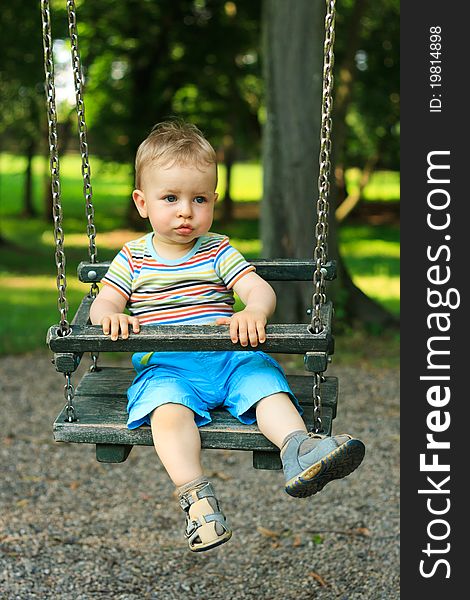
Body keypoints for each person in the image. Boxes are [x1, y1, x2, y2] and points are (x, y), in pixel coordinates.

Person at [90, 120, 365, 553]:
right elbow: (103, 301)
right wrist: (112, 316)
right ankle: (198, 502)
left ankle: (300, 450)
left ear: (213, 201)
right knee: (167, 412)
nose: (186, 211)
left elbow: (256, 288)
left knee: (265, 384)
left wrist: (254, 309)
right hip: (169, 366)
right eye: (171, 198)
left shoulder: (218, 250)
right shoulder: (133, 258)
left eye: (199, 199)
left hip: (229, 354)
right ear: (142, 203)